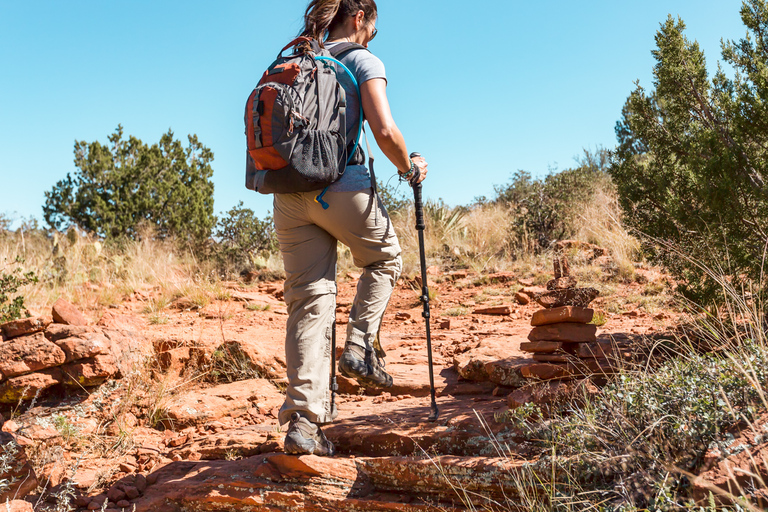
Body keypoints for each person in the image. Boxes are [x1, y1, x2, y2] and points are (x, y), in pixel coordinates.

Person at [250, 0, 428, 456]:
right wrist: (411, 168)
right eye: (373, 28)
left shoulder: (296, 58)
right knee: (385, 258)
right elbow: (385, 130)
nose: (372, 36)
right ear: (360, 19)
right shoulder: (363, 59)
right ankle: (360, 347)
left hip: (288, 196)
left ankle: (303, 426)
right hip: (342, 186)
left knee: (309, 300)